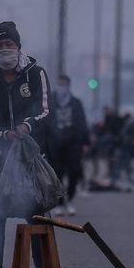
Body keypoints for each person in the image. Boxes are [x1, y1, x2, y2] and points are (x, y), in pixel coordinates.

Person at [0, 21, 51, 268]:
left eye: (9, 45)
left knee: (37, 214)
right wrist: (3, 134)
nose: (5, 50)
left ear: (19, 47)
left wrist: (27, 127)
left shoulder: (36, 74)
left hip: (30, 160)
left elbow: (44, 111)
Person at [48, 75, 89, 215]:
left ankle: (70, 199)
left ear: (68, 85)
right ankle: (59, 203)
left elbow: (82, 122)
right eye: (59, 84)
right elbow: (44, 122)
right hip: (55, 143)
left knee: (73, 172)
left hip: (73, 143)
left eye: (64, 84)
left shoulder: (76, 103)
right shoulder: (49, 102)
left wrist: (85, 141)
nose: (61, 87)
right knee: (56, 174)